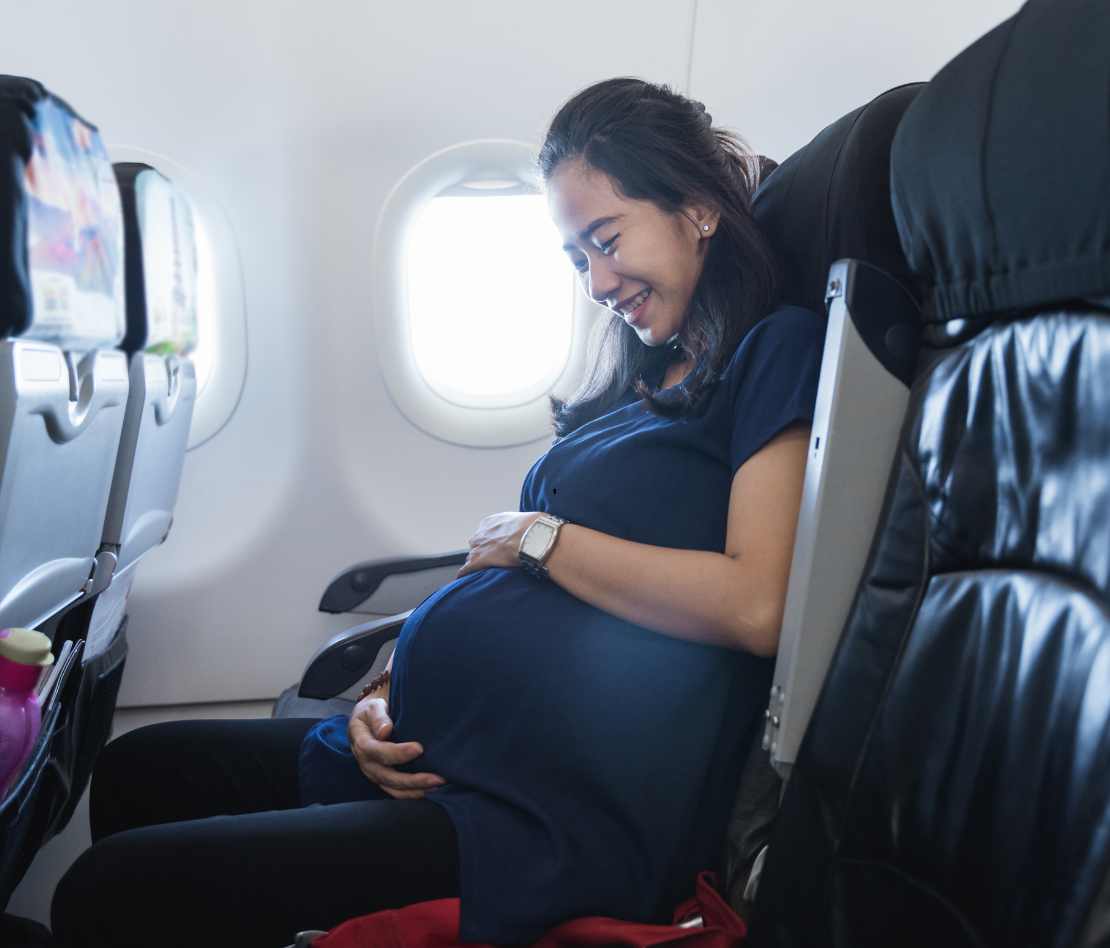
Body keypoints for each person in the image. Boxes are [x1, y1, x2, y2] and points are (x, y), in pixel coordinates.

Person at [51, 78, 823, 948]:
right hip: (442, 760)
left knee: (108, 893)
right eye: (577, 260)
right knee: (137, 768)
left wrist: (540, 537)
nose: (599, 282)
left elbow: (755, 604)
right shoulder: (643, 376)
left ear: (698, 208)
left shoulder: (775, 351)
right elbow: (524, 588)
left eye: (608, 241)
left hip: (542, 822)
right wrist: (384, 693)